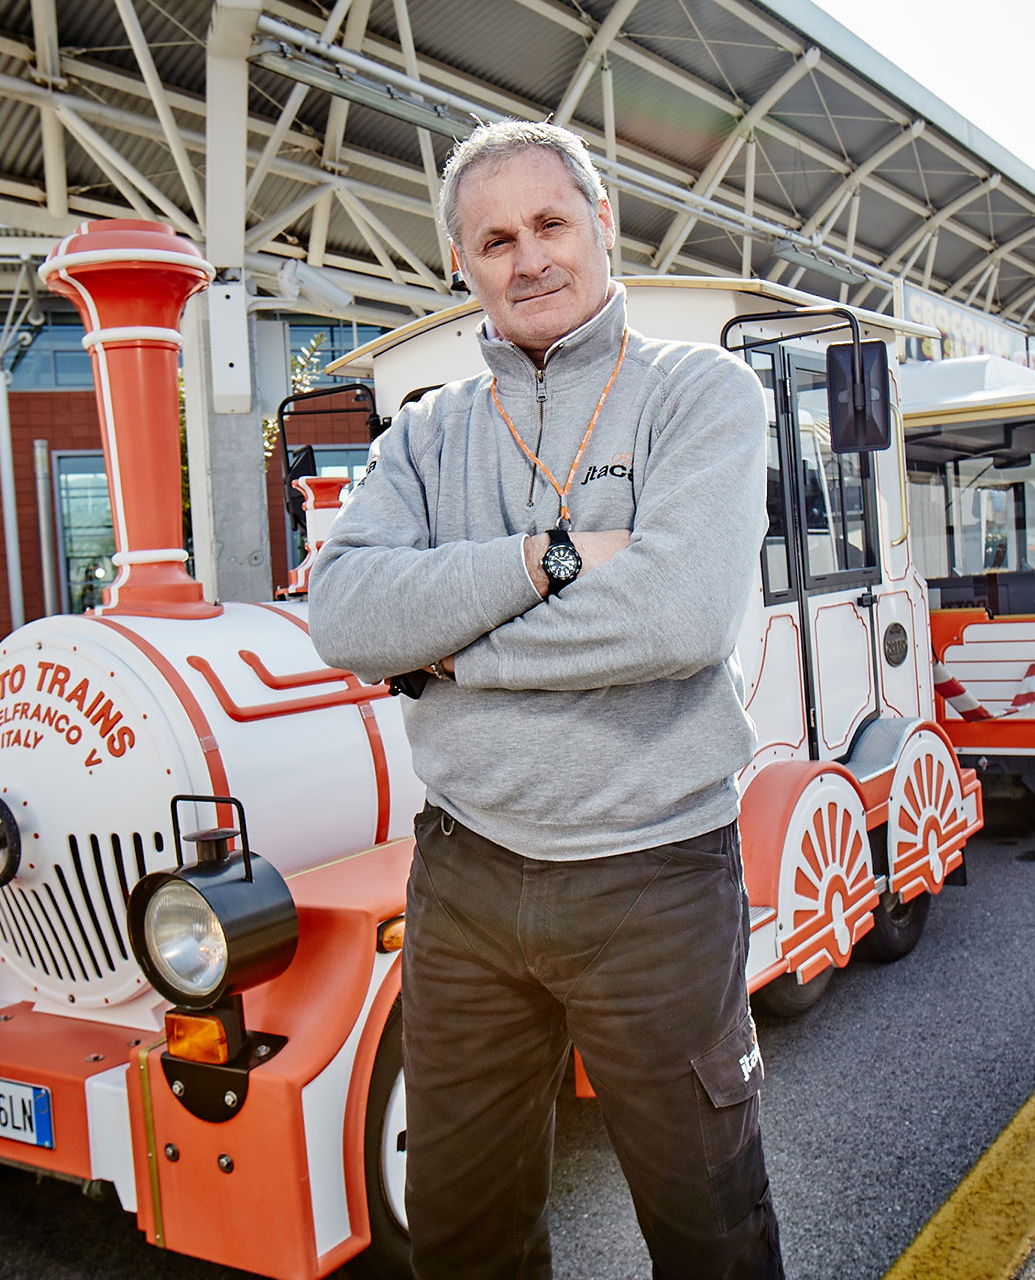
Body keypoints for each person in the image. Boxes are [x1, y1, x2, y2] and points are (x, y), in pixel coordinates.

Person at [308, 120, 779, 1279]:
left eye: (551, 224)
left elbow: (678, 618)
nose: (530, 260)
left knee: (707, 1228)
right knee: (464, 1234)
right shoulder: (423, 435)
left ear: (601, 223)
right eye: (495, 239)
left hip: (655, 873)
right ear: (464, 264)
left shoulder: (701, 393)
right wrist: (548, 560)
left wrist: (456, 651)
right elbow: (350, 619)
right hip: (466, 878)